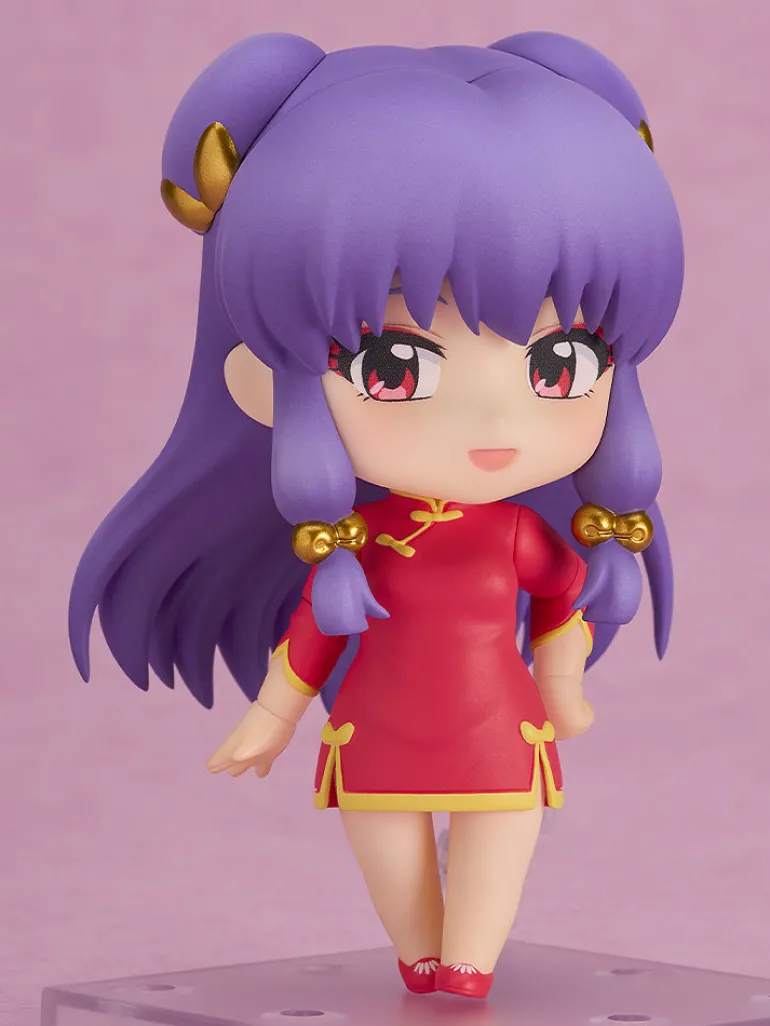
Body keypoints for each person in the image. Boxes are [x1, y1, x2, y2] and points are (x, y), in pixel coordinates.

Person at [69, 30, 683, 1000]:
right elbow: (314, 634)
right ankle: (423, 956)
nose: (496, 425)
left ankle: (467, 964)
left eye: (560, 363)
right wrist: (271, 720)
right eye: (396, 365)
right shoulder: (356, 551)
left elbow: (561, 599)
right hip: (376, 743)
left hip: (501, 740)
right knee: (396, 869)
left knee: (494, 852)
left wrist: (561, 683)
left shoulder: (517, 535)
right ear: (261, 378)